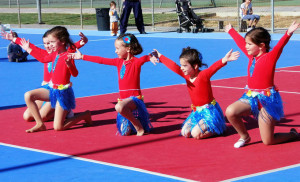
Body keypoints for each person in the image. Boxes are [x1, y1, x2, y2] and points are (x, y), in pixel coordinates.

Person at [2, 26, 92, 133]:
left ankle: (84, 115)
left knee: (58, 127)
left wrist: (70, 64)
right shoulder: (53, 54)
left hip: (62, 92)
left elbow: (75, 73)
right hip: (50, 89)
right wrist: (22, 44)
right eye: (46, 43)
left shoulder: (68, 54)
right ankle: (40, 124)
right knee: (28, 97)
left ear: (62, 42)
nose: (48, 45)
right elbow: (42, 59)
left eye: (51, 42)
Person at [224, 22, 300, 148]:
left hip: (267, 100)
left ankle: (293, 134)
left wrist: (288, 33)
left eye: (249, 44)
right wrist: (231, 31)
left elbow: (280, 46)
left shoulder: (270, 57)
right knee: (230, 112)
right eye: (246, 43)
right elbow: (240, 42)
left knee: (268, 141)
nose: (246, 47)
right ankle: (244, 136)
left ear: (261, 46)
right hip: (251, 97)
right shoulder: (251, 57)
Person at [70, 33, 157, 136]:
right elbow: (101, 60)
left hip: (135, 100)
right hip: (123, 101)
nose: (115, 51)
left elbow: (145, 58)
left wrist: (150, 56)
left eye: (117, 48)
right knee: (125, 132)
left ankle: (139, 127)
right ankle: (134, 121)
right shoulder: (118, 62)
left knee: (118, 107)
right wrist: (82, 56)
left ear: (128, 49)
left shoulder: (136, 62)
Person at [151, 48, 240, 139]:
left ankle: (219, 128)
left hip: (209, 112)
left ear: (195, 66)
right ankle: (207, 126)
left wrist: (224, 59)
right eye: (181, 65)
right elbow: (174, 66)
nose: (181, 68)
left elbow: (214, 67)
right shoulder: (186, 75)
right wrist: (160, 56)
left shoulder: (203, 75)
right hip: (197, 112)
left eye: (184, 66)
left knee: (196, 134)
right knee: (185, 132)